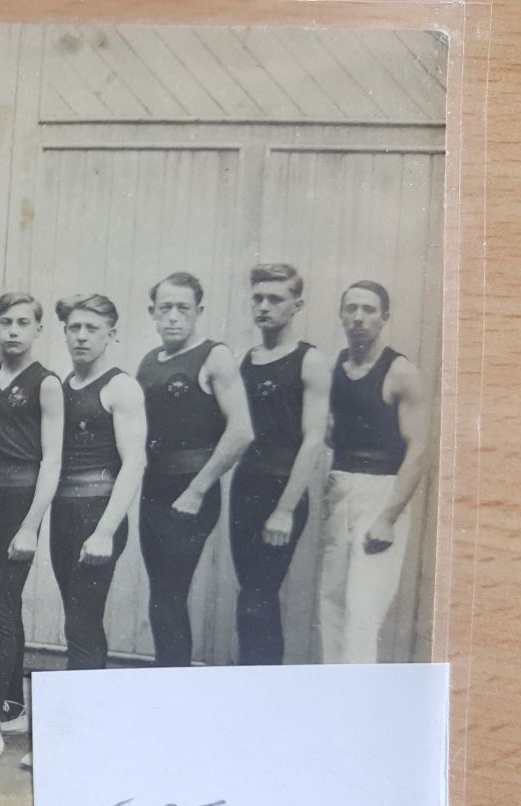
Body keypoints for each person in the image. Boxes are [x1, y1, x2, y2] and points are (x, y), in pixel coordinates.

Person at [0, 292, 62, 770]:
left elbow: (53, 461)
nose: (14, 330)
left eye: (24, 322)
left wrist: (29, 525)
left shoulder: (46, 384)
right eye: (6, 322)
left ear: (38, 329)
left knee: (0, 606)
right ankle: (14, 706)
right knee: (5, 605)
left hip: (21, 500)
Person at [134, 273, 253, 667]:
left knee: (169, 594)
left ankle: (173, 692)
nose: (173, 317)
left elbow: (240, 432)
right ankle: (167, 683)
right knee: (160, 596)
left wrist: (198, 490)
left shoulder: (214, 356)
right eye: (164, 308)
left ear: (198, 312)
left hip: (192, 491)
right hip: (155, 488)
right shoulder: (149, 362)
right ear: (152, 313)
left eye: (182, 308)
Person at [319, 280, 428, 664]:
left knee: (363, 612)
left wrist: (388, 517)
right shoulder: (338, 368)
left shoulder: (400, 372)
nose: (359, 318)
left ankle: (357, 709)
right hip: (341, 486)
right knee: (331, 604)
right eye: (352, 309)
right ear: (341, 315)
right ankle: (334, 704)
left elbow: (418, 449)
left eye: (368, 310)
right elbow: (335, 433)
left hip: (382, 492)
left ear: (384, 318)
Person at [230, 264, 329, 664]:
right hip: (245, 488)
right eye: (258, 298)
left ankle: (266, 697)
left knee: (259, 596)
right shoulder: (247, 361)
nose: (264, 306)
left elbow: (314, 440)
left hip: (281, 492)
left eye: (276, 299)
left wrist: (285, 510)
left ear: (297, 305)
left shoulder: (310, 360)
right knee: (250, 595)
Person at [52, 294, 146, 672]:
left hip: (98, 513)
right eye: (74, 328)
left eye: (92, 328)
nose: (82, 336)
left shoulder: (121, 387)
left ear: (111, 334)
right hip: (63, 511)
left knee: (82, 619)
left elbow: (135, 463)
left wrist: (105, 530)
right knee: (76, 619)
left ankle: (81, 720)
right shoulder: (62, 385)